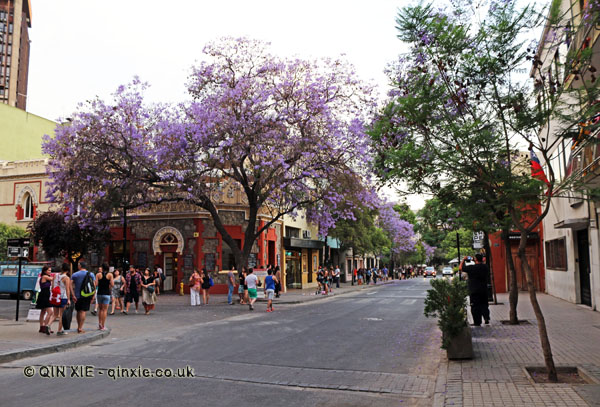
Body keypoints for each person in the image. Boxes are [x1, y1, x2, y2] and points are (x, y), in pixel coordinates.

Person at [460, 254, 491, 326]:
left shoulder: (472, 268)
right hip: (483, 289)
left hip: (474, 290)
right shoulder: (485, 267)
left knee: (475, 307)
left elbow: (461, 267)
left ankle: (477, 322)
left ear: (475, 260)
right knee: (484, 305)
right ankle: (486, 317)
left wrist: (464, 260)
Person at [71, 261, 95, 334]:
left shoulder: (75, 274)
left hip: (77, 296)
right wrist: (93, 296)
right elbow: (94, 286)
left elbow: (70, 284)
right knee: (83, 311)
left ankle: (78, 326)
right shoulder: (91, 274)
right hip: (87, 295)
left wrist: (73, 295)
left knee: (78, 311)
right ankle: (81, 327)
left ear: (80, 266)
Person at [53, 263, 72, 335]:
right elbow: (67, 289)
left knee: (54, 314)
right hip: (63, 297)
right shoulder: (66, 278)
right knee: (61, 315)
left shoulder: (56, 275)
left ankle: (48, 325)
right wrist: (69, 299)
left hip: (55, 296)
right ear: (67, 270)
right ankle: (59, 330)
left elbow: (52, 286)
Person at [36, 266, 55, 335]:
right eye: (49, 270)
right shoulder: (44, 276)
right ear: (45, 271)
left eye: (50, 270)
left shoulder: (46, 277)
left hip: (46, 294)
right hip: (44, 295)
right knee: (50, 312)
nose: (50, 272)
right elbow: (53, 279)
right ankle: (46, 326)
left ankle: (42, 326)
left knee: (43, 311)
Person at [95, 263, 113, 330]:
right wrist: (109, 287)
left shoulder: (98, 275)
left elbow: (96, 284)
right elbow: (112, 284)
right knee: (105, 310)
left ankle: (99, 324)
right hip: (106, 293)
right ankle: (103, 325)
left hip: (99, 293)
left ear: (102, 268)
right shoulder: (110, 275)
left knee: (100, 309)